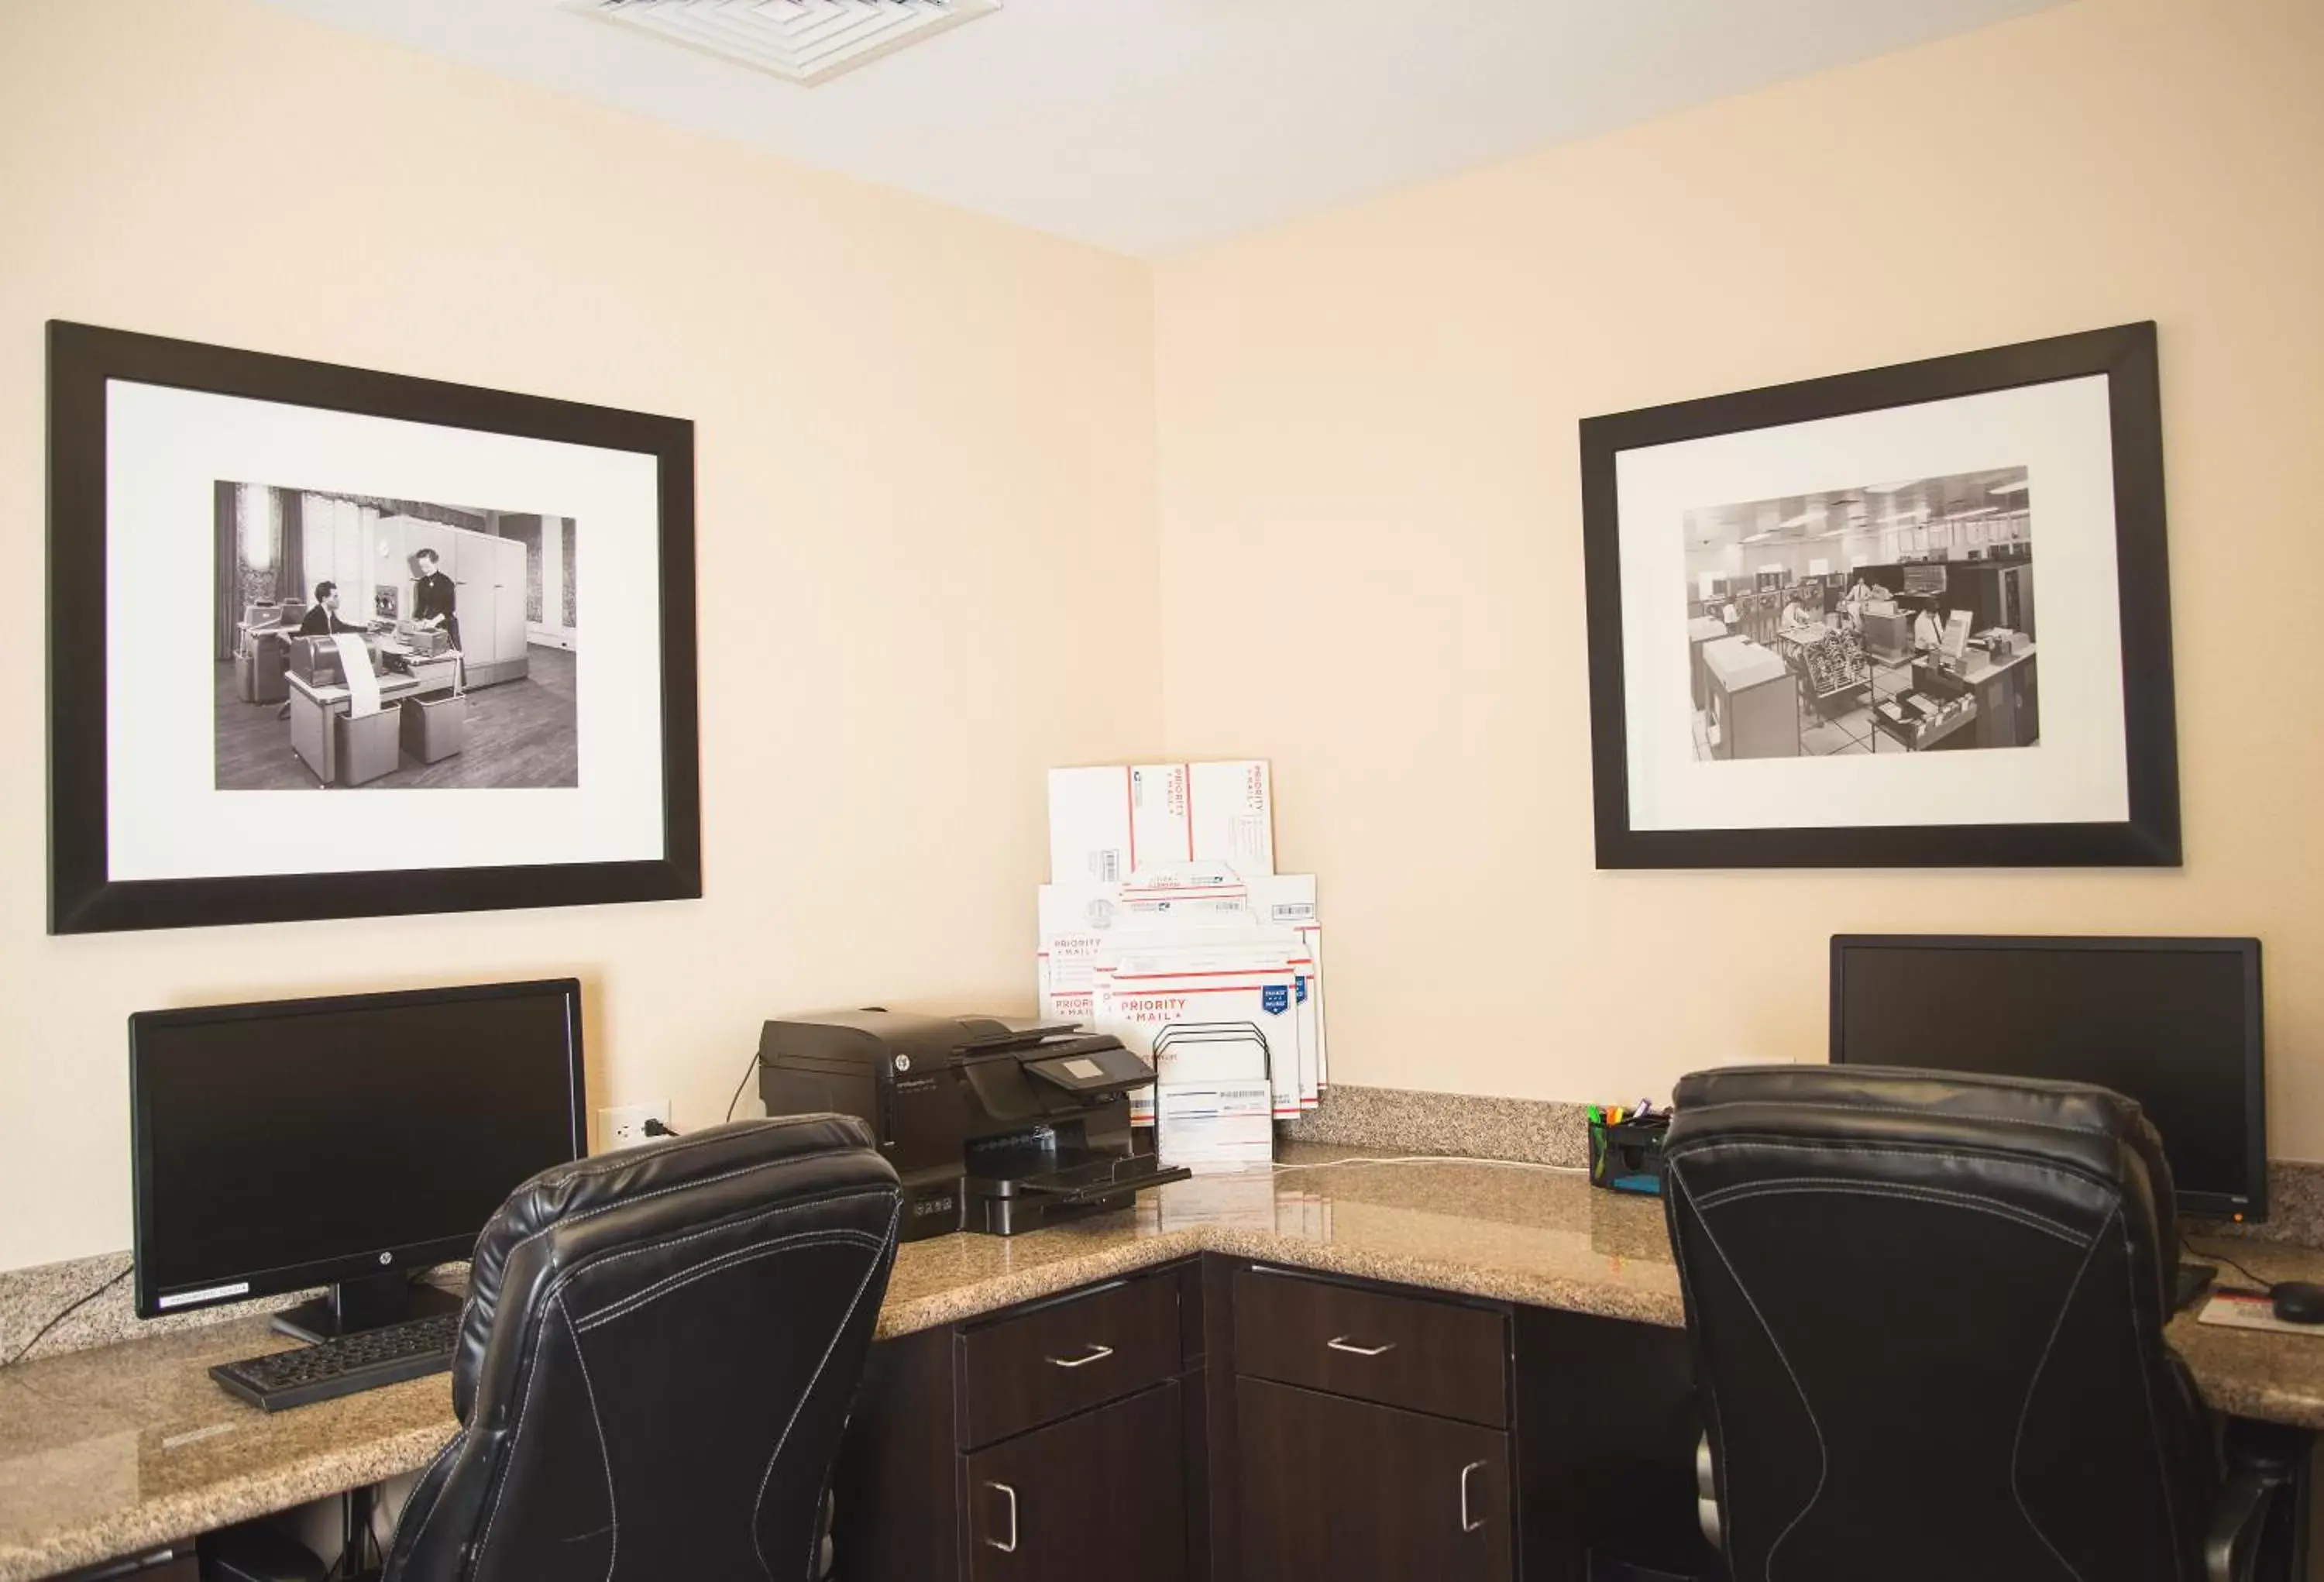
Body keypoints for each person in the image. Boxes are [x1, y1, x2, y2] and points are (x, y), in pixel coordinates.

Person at [411, 548, 461, 655]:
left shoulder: (446, 582)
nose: (424, 570)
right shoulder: (421, 583)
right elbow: (420, 607)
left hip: (446, 624)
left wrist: (434, 622)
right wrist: (418, 621)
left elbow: (449, 610)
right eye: (422, 567)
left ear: (435, 562)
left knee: (451, 655)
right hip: (429, 623)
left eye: (427, 566)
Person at [294, 580, 363, 638]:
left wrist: (366, 629)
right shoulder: (314, 616)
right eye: (335, 597)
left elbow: (343, 627)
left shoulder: (329, 613)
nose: (338, 600)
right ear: (325, 599)